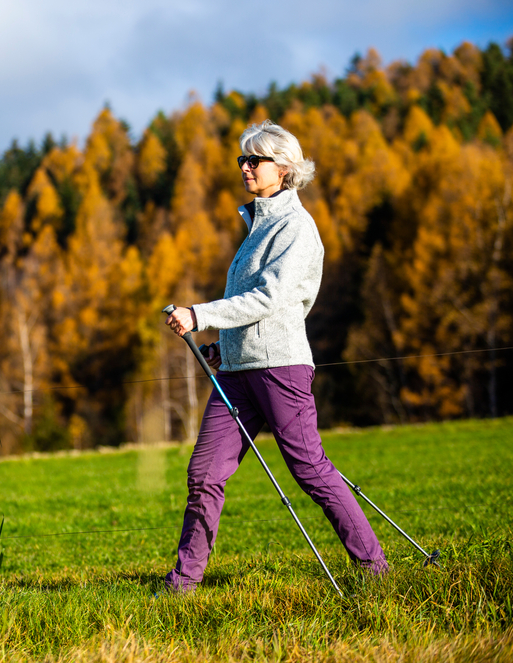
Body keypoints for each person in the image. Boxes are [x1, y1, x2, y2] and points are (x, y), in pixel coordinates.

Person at [163, 120, 388, 593]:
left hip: (281, 368)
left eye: (255, 160)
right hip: (238, 372)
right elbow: (251, 307)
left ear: (283, 168)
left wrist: (199, 314)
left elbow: (268, 300)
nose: (245, 167)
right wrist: (221, 348)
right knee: (204, 473)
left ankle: (374, 569)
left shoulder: (295, 228)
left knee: (309, 469)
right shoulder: (257, 225)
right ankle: (182, 584)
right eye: (242, 159)